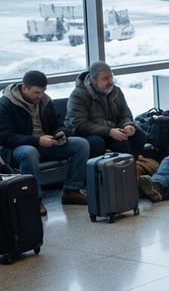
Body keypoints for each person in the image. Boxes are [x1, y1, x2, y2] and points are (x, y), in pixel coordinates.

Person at [0, 70, 90, 214]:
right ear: (24, 88)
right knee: (29, 152)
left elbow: (57, 123)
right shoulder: (6, 104)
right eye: (36, 93)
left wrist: (59, 133)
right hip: (17, 148)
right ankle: (34, 200)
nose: (40, 96)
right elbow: (5, 137)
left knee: (81, 144)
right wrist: (37, 141)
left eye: (42, 92)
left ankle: (71, 190)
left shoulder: (45, 101)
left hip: (46, 143)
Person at [66, 61, 147, 158]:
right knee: (98, 143)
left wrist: (127, 125)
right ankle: (98, 172)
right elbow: (79, 124)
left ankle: (131, 167)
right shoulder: (79, 95)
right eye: (105, 79)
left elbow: (125, 113)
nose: (110, 82)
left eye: (111, 77)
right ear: (94, 80)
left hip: (113, 130)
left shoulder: (116, 91)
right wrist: (109, 132)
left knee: (139, 136)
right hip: (89, 133)